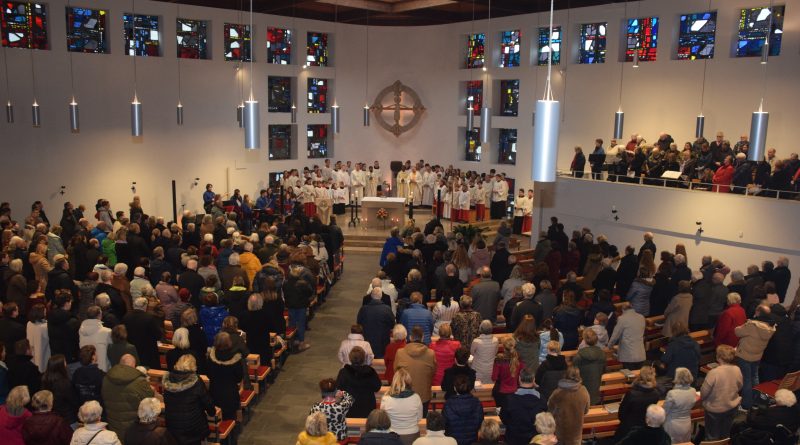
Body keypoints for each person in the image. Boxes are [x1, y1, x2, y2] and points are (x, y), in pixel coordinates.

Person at [162, 354, 215, 445]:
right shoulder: (196, 382)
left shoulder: (168, 381)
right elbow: (207, 402)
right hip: (192, 428)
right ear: (193, 366)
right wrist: (212, 412)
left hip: (173, 426)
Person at [102, 353, 155, 437]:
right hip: (133, 430)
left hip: (112, 427)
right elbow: (150, 400)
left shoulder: (106, 378)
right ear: (134, 366)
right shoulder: (139, 381)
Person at [735, 304, 776, 410]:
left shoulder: (752, 325)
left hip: (745, 355)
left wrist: (745, 324)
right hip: (757, 355)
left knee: (747, 380)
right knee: (754, 377)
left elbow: (737, 332)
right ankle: (755, 401)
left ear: (758, 312)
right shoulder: (770, 327)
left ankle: (746, 405)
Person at [701, 345, 743, 440]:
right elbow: (740, 386)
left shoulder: (714, 372)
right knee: (725, 434)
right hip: (732, 407)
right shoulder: (737, 369)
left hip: (715, 409)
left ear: (718, 357)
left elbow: (704, 392)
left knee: (712, 436)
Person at [394, 326, 436, 414]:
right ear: (422, 337)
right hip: (423, 395)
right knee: (422, 417)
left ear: (410, 337)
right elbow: (433, 372)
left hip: (405, 394)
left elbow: (396, 372)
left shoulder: (400, 353)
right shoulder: (430, 354)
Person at [500, 369, 546, 445]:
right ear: (534, 380)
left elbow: (504, 418)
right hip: (534, 439)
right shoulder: (542, 399)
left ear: (519, 379)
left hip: (514, 439)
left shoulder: (510, 399)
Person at [614, 366, 660, 441]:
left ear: (640, 375)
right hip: (645, 428)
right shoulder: (656, 394)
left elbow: (621, 414)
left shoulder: (632, 394)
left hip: (628, 428)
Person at [547, 366, 590, 445]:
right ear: (578, 376)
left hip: (560, 433)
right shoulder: (584, 391)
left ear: (566, 375)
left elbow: (550, 410)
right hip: (576, 433)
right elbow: (586, 410)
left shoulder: (557, 393)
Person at [336, 346, 382, 418]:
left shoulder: (344, 372)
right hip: (368, 406)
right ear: (363, 358)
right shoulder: (370, 371)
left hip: (349, 407)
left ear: (350, 358)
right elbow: (377, 387)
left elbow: (338, 388)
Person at [207, 332, 244, 420]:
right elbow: (239, 377)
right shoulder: (235, 358)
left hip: (215, 392)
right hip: (230, 394)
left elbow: (208, 373)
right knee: (230, 417)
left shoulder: (211, 357)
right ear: (229, 342)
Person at [381, 369, 423, 445]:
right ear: (409, 382)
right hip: (412, 434)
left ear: (394, 381)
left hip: (392, 435)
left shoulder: (386, 398)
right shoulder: (416, 397)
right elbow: (419, 418)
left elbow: (383, 419)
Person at [121, 297, 162, 369]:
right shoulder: (149, 318)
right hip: (148, 353)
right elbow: (158, 335)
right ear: (145, 306)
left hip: (132, 351)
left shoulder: (126, 317)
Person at [443, 374, 483, 445]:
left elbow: (444, 424)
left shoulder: (448, 404)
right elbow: (480, 422)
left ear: (454, 388)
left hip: (453, 441)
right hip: (472, 440)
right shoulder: (477, 402)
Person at [284, 262, 314, 352]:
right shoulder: (303, 283)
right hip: (301, 306)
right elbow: (310, 292)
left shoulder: (286, 283)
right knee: (301, 324)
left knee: (292, 323)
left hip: (291, 306)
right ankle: (301, 343)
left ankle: (293, 342)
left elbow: (285, 293)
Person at [41, 354, 79, 425]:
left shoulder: (45, 380)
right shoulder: (64, 383)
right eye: (65, 362)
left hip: (52, 417)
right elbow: (74, 400)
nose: (66, 364)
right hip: (67, 419)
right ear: (60, 366)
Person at [359, 287, 396, 358]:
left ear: (371, 296)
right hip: (383, 341)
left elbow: (359, 323)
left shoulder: (363, 309)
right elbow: (392, 324)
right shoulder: (387, 309)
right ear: (381, 296)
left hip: (367, 341)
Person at [662, 367, 697, 444]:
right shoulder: (693, 390)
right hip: (687, 423)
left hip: (673, 425)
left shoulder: (672, 393)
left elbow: (665, 412)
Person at [608, 302, 645, 369]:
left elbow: (615, 336)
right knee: (638, 374)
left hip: (628, 355)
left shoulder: (622, 319)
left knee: (629, 374)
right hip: (640, 354)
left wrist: (609, 346)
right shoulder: (641, 317)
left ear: (623, 310)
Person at [573, 328, 606, 405]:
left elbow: (574, 374)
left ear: (584, 340)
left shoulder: (579, 356)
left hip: (582, 392)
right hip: (596, 389)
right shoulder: (602, 354)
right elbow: (603, 370)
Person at [26, 303, 50, 373]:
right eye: (44, 311)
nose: (45, 313)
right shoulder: (45, 326)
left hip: (32, 351)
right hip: (43, 351)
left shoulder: (29, 323)